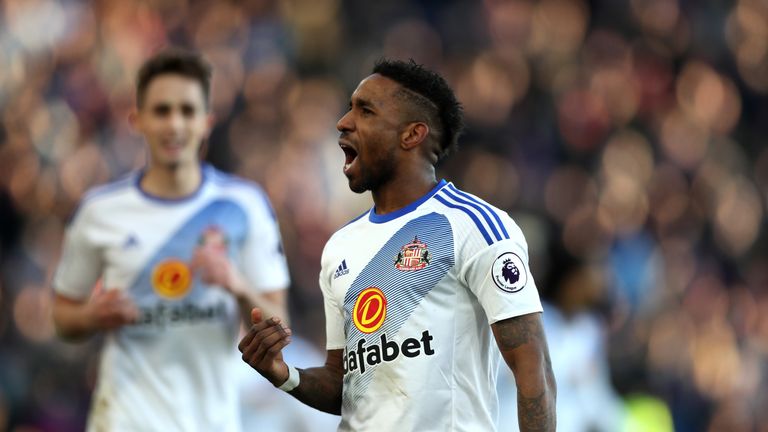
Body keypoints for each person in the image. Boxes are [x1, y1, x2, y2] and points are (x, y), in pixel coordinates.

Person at [239, 59, 556, 431]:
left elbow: (533, 367)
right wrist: (283, 373)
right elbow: (344, 386)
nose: (343, 122)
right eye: (348, 108)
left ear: (411, 135)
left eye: (365, 110)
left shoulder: (473, 226)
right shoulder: (341, 247)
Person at [51, 49, 289, 432]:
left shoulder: (244, 205)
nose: (174, 124)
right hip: (123, 420)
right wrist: (93, 315)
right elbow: (62, 317)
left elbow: (280, 325)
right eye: (161, 111)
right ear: (137, 120)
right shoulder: (100, 211)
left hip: (211, 421)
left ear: (207, 121)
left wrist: (237, 284)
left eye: (187, 111)